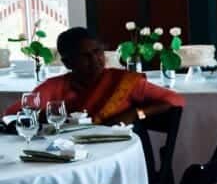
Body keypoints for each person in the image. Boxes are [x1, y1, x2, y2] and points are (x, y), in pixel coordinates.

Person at [3, 27, 184, 125]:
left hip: (120, 155)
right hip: (69, 155)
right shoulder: (56, 86)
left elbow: (175, 100)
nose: (95, 59)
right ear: (68, 63)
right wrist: (43, 117)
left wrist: (136, 113)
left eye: (97, 51)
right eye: (85, 56)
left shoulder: (123, 81)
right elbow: (12, 114)